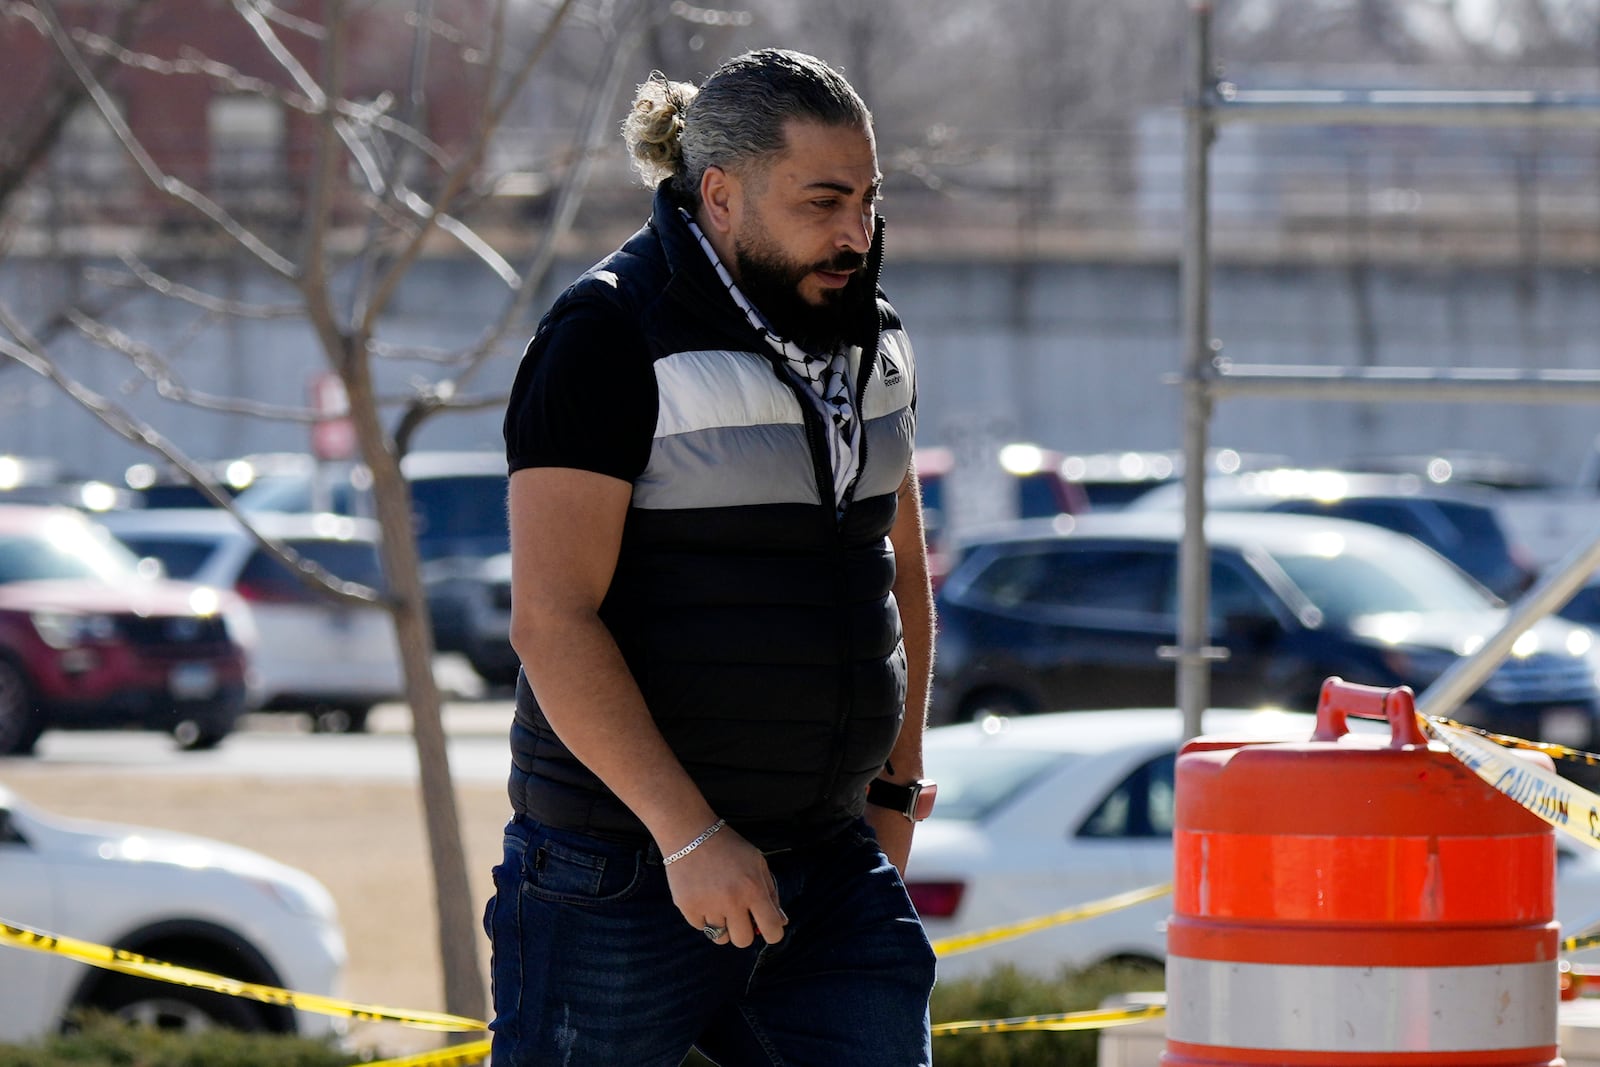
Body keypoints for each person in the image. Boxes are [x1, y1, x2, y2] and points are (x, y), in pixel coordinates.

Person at [486, 47, 938, 1066]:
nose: (854, 233)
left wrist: (898, 782)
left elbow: (899, 569)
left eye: (867, 200)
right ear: (721, 195)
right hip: (620, 869)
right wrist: (690, 837)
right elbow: (551, 618)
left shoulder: (875, 337)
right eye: (822, 201)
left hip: (828, 859)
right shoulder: (604, 336)